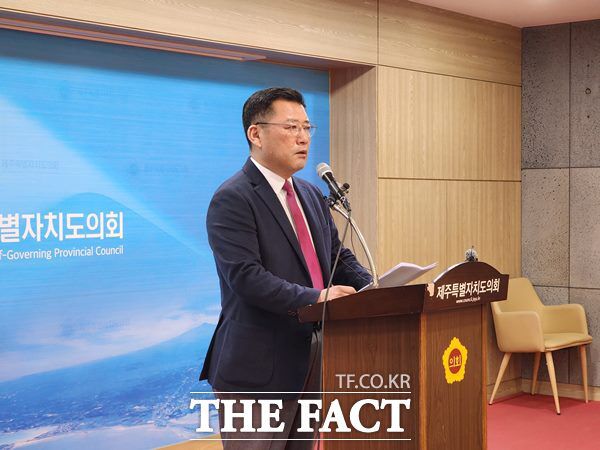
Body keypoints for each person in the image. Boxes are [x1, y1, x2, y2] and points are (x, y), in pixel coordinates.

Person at [200, 87, 372, 449]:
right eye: (291, 127)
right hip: (258, 370)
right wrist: (318, 297)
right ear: (256, 134)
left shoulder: (310, 194)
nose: (303, 138)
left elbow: (337, 258)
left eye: (307, 128)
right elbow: (246, 278)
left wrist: (378, 288)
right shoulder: (233, 198)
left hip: (311, 359)